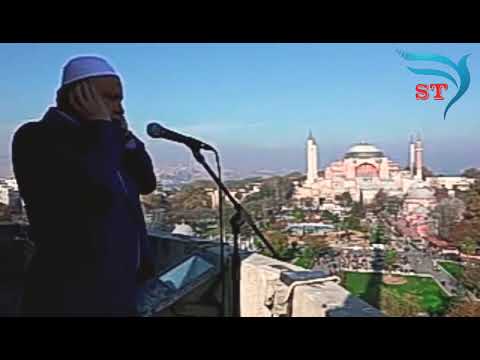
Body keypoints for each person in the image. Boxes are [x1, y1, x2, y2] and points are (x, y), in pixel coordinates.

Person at [12, 56, 157, 316]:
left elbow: (147, 183)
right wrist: (101, 129)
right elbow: (96, 192)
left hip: (121, 291)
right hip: (71, 295)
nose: (120, 108)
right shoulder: (37, 137)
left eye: (120, 99)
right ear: (78, 96)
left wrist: (125, 138)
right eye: (110, 98)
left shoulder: (110, 141)